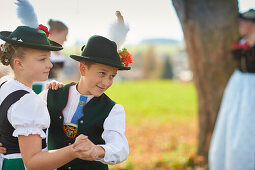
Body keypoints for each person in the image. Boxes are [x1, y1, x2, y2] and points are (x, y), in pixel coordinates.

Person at [0, 25, 97, 170]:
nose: (50, 64)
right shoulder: (28, 102)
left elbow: (12, 115)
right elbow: (33, 162)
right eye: (42, 59)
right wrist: (73, 150)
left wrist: (43, 95)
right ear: (19, 63)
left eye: (49, 58)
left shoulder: (5, 84)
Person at [39, 35, 131, 170]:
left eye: (112, 76)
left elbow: (120, 148)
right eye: (102, 73)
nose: (106, 82)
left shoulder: (113, 109)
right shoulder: (51, 94)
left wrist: (97, 150)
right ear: (82, 69)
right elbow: (22, 118)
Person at [209, 9, 255, 170]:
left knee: (248, 125)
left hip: (252, 88)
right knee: (232, 121)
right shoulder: (241, 41)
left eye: (244, 22)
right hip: (238, 85)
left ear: (252, 24)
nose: (240, 25)